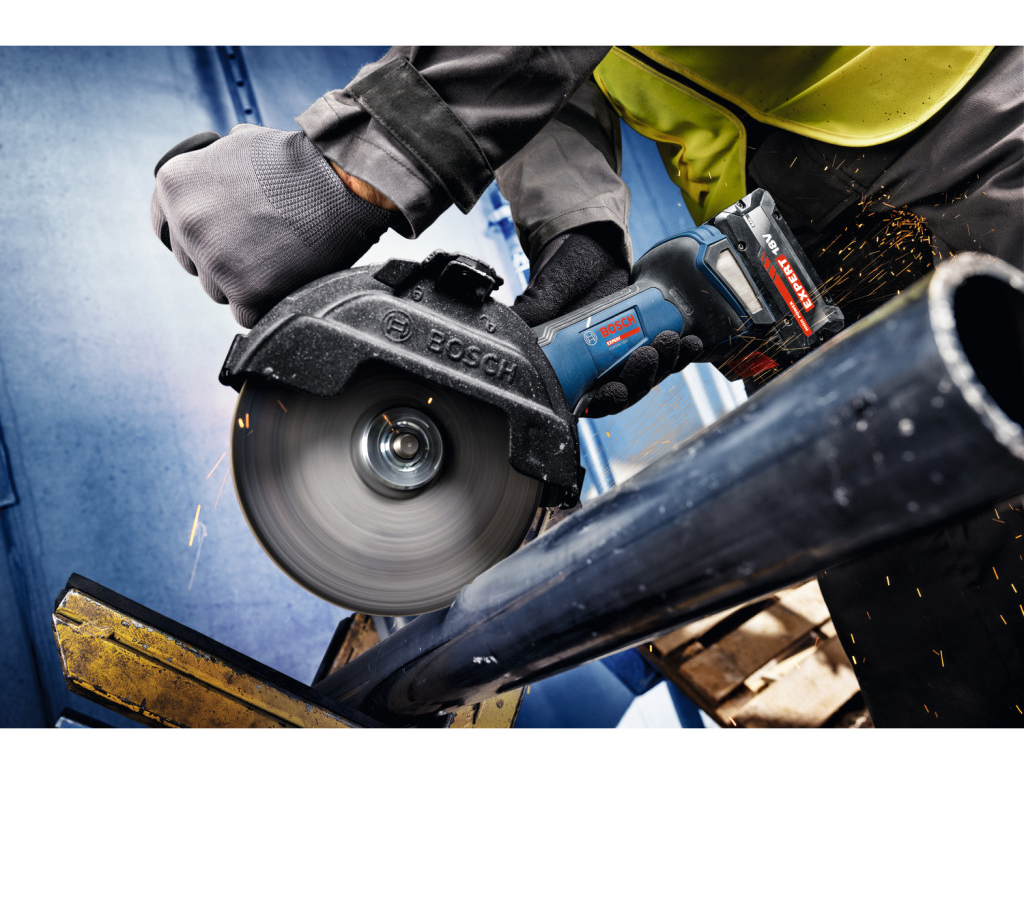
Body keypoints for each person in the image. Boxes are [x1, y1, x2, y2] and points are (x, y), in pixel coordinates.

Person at [152, 46, 1024, 725]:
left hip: (961, 129)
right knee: (931, 635)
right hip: (802, 205)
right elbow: (580, 75)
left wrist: (341, 167)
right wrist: (579, 233)